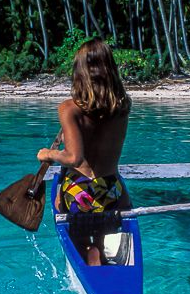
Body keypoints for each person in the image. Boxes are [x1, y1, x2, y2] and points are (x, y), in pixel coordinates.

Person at [36, 38, 132, 266]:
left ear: (79, 71)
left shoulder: (69, 109)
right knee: (105, 227)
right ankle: (99, 247)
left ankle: (87, 251)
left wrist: (47, 155)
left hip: (81, 193)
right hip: (111, 190)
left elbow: (73, 158)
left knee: (73, 225)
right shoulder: (122, 105)